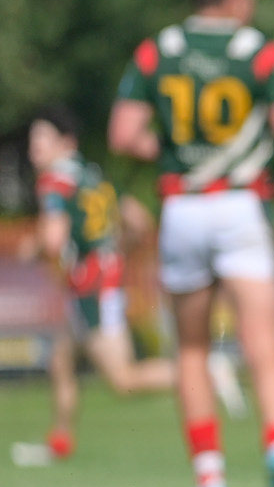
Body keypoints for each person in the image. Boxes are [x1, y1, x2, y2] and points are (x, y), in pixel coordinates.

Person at [107, 0, 274, 487]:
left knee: (190, 348)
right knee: (262, 343)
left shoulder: (160, 50)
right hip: (240, 207)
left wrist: (177, 152)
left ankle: (209, 478)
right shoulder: (257, 51)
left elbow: (122, 135)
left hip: (182, 208)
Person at [23, 106, 174, 458]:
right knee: (60, 362)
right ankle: (59, 443)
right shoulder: (91, 175)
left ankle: (203, 373)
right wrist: (115, 253)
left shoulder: (55, 180)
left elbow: (53, 242)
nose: (34, 148)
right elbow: (138, 221)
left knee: (123, 381)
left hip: (92, 288)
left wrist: (34, 250)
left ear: (66, 143)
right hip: (98, 281)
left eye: (41, 139)